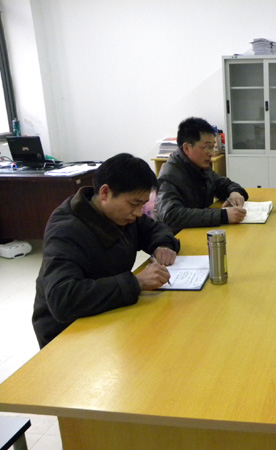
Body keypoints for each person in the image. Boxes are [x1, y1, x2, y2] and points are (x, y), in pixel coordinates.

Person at [33, 153, 180, 348]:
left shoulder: (121, 215)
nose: (138, 213)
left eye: (142, 205)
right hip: (69, 334)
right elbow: (62, 299)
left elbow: (154, 229)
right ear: (105, 193)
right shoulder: (66, 230)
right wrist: (136, 282)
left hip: (109, 313)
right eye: (134, 204)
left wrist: (162, 245)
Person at [155, 117, 249, 233]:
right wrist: (223, 216)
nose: (212, 153)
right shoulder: (169, 176)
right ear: (187, 148)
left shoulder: (200, 167)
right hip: (176, 237)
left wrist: (234, 192)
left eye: (213, 147)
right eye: (206, 147)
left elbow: (223, 184)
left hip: (198, 230)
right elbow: (171, 215)